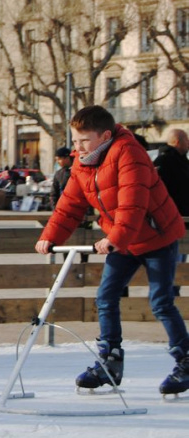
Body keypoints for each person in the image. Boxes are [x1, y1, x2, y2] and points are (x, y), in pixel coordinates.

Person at [35, 105, 189, 396]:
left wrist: (115, 237)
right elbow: (69, 206)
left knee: (160, 302)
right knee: (105, 297)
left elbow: (134, 203)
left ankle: (186, 359)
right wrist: (49, 237)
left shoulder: (130, 154)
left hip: (157, 236)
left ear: (105, 135)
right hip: (124, 240)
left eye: (84, 140)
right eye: (75, 141)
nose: (77, 147)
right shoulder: (83, 163)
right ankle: (110, 361)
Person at [154, 128, 189, 295]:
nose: (188, 144)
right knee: (172, 259)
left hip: (183, 220)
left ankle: (173, 291)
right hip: (170, 220)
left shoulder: (183, 161)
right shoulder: (165, 161)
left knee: (180, 258)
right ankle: (167, 293)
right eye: (187, 140)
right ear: (177, 142)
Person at [51, 146, 91, 263]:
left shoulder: (80, 170)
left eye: (60, 159)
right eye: (57, 159)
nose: (58, 162)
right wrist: (56, 210)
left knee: (84, 241)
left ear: (67, 158)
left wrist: (88, 212)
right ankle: (67, 265)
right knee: (66, 240)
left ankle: (84, 264)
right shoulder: (59, 174)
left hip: (83, 213)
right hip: (65, 213)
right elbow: (54, 194)